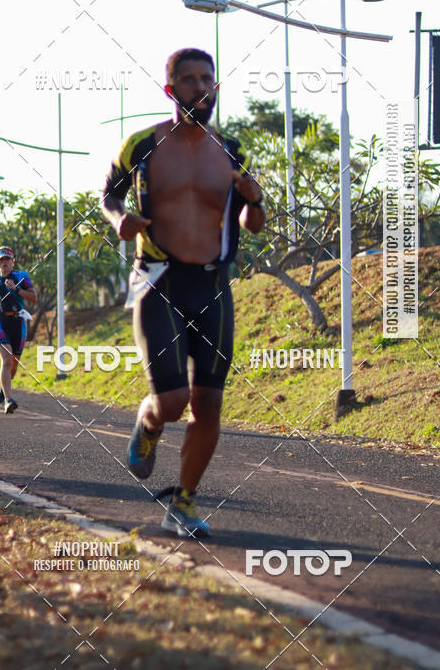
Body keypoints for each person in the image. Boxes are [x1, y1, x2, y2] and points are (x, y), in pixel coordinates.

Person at [102, 47, 265, 537]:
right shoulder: (141, 145)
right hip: (160, 280)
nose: (201, 87)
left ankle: (184, 502)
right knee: (173, 401)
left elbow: (252, 224)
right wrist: (119, 219)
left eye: (207, 79)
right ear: (170, 89)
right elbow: (109, 195)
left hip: (213, 285)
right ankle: (149, 422)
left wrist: (255, 201)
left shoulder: (231, 150)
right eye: (190, 79)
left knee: (209, 403)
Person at [0, 246, 37, 414]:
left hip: (18, 321)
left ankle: (4, 389)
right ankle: (8, 400)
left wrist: (16, 289)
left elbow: (34, 298)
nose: (4, 263)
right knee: (7, 359)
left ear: (12, 261)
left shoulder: (21, 277)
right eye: (1, 260)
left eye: (7, 259)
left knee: (14, 364)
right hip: (0, 322)